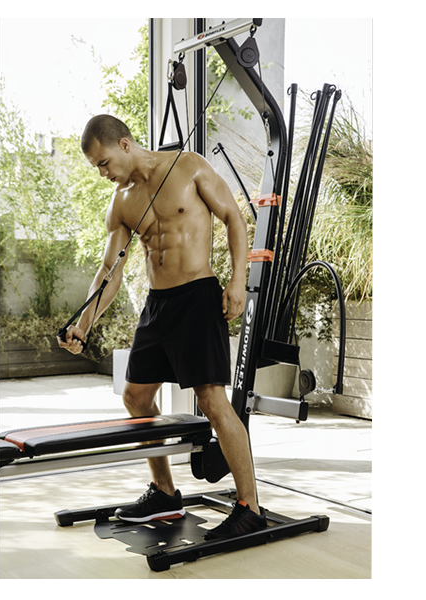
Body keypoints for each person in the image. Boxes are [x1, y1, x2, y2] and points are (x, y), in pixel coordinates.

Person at [57, 114, 266, 539]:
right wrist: (84, 325)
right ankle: (165, 493)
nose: (102, 173)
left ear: (125, 144)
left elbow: (234, 218)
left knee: (211, 401)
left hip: (198, 296)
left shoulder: (189, 166)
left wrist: (237, 280)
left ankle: (249, 507)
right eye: (96, 167)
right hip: (158, 305)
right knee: (135, 397)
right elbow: (109, 271)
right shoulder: (121, 202)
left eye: (103, 163)